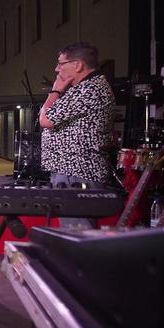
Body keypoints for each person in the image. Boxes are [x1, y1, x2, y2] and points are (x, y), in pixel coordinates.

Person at [38, 42, 115, 228]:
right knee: (78, 233)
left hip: (77, 172)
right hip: (74, 172)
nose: (57, 69)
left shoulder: (87, 89)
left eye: (61, 63)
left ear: (78, 65)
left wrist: (55, 90)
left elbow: (45, 119)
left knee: (78, 234)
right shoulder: (87, 87)